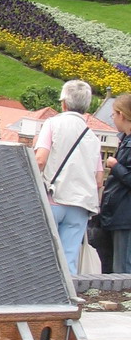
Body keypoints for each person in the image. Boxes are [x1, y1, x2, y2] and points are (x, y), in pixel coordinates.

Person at [35, 79, 103, 274]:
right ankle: (68, 300)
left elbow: (40, 160)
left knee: (44, 255)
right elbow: (99, 180)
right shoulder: (92, 136)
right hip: (80, 205)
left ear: (63, 102)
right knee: (69, 259)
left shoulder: (53, 124)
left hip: (53, 199)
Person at [99, 94, 131, 273]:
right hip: (118, 212)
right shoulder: (125, 139)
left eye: (113, 115)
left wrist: (115, 166)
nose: (113, 119)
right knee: (114, 268)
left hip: (125, 215)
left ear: (122, 114)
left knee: (123, 270)